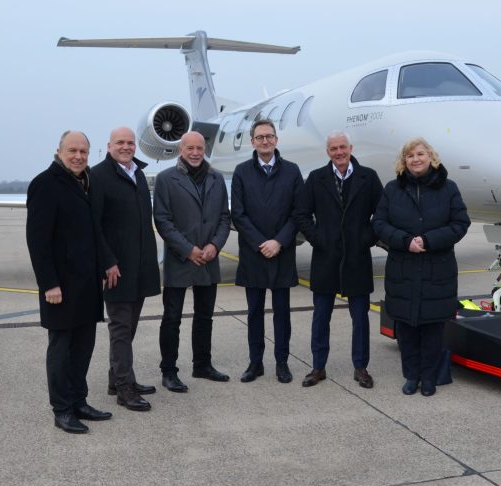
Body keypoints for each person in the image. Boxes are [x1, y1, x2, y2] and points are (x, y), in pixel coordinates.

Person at [26, 131, 111, 433]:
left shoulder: (86, 183)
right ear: (59, 151)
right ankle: (62, 409)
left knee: (83, 346)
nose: (78, 156)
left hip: (87, 285)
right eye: (72, 150)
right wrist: (49, 283)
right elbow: (38, 241)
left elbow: (91, 232)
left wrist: (103, 268)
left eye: (84, 151)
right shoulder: (45, 184)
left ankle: (79, 400)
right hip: (60, 288)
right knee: (61, 349)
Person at [372, 137, 470, 397]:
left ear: (431, 157)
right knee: (406, 329)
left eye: (420, 154)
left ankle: (428, 377)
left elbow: (460, 223)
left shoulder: (449, 188)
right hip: (403, 269)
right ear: (404, 161)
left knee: (432, 329)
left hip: (437, 270)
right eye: (410, 155)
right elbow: (379, 223)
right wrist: (405, 241)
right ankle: (411, 375)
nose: (415, 159)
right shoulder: (392, 189)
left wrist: (428, 240)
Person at [294, 132, 383, 388]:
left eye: (342, 147)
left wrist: (365, 239)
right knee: (321, 317)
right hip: (326, 258)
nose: (339, 152)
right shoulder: (316, 178)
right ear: (328, 152)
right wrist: (318, 239)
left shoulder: (368, 177)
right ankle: (318, 366)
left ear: (350, 148)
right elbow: (302, 214)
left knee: (360, 318)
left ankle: (361, 367)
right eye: (333, 148)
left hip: (357, 258)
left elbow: (382, 213)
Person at [153, 131, 232, 392]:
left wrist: (214, 246)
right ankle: (169, 371)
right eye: (190, 148)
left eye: (200, 148)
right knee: (172, 318)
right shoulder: (166, 179)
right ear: (181, 150)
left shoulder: (216, 178)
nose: (196, 152)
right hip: (181, 258)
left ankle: (202, 365)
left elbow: (224, 217)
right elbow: (163, 220)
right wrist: (188, 250)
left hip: (208, 259)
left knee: (205, 317)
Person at [90, 127, 161, 411]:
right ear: (109, 146)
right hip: (115, 269)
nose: (126, 146)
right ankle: (124, 389)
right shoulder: (99, 176)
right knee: (120, 329)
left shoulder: (138, 174)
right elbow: (94, 226)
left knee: (128, 327)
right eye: (120, 142)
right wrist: (107, 261)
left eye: (130, 143)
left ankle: (117, 378)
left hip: (140, 266)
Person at [231, 119, 304, 383]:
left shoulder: (292, 171)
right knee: (254, 313)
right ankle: (256, 362)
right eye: (260, 137)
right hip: (254, 254)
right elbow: (238, 214)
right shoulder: (241, 172)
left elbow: (298, 213)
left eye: (269, 136)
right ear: (252, 142)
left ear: (276, 140)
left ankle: (282, 362)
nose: (265, 141)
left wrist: (279, 242)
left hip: (282, 253)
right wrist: (262, 243)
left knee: (282, 313)